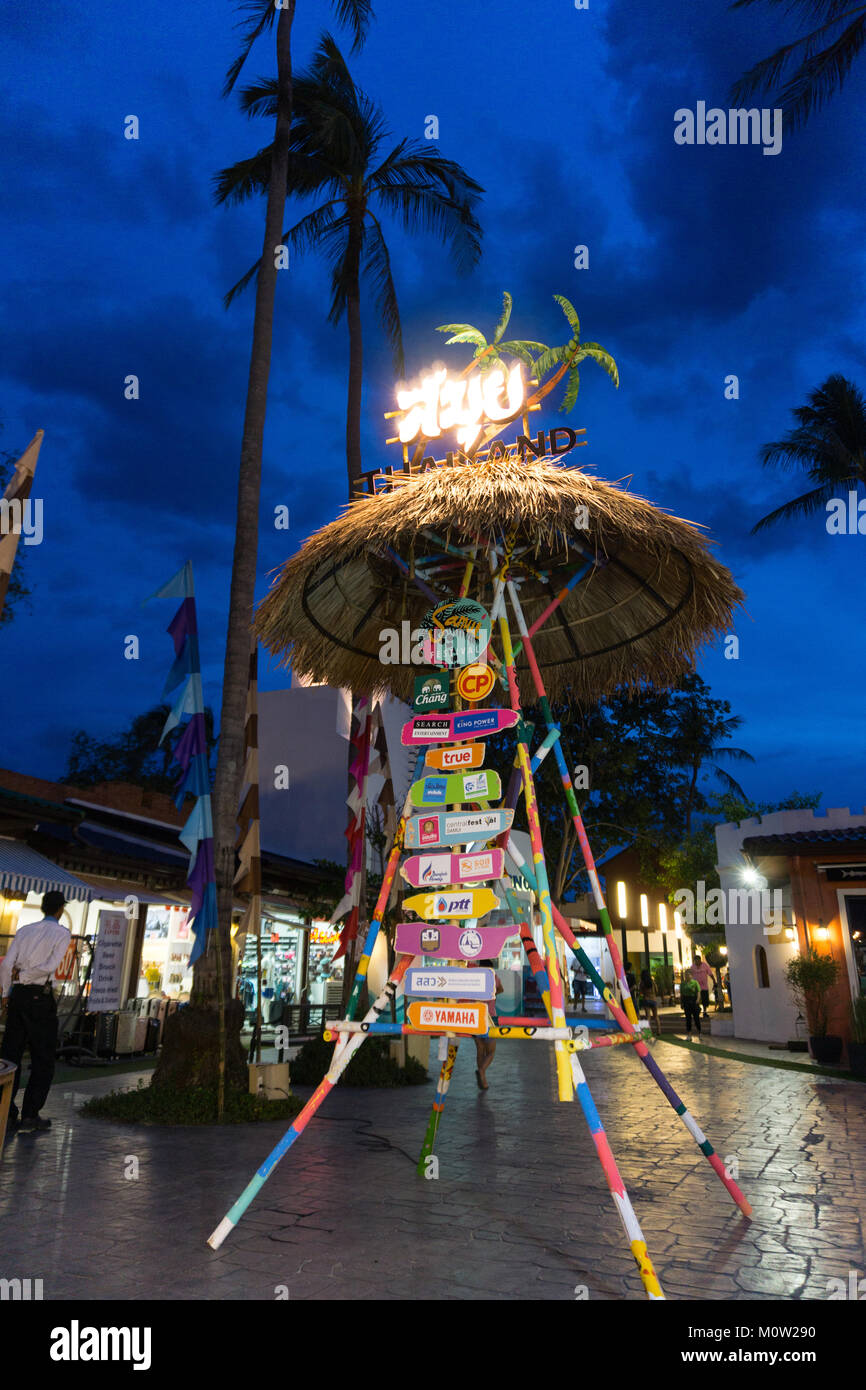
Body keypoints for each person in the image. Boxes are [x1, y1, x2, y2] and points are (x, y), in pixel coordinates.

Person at [0, 891, 71, 1133]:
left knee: (10, 1056)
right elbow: (50, 966)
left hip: (18, 996)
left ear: (42, 907)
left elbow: (7, 964)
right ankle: (30, 1114)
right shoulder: (61, 933)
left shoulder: (24, 930)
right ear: (60, 909)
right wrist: (28, 977)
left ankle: (6, 1114)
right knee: (43, 1058)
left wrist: (6, 994)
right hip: (40, 997)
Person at [474, 958, 503, 1091]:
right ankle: (482, 1071)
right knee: (491, 1051)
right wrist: (493, 994)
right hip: (490, 1018)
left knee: (480, 1050)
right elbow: (501, 989)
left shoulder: (473, 978)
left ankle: (483, 1080)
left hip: (475, 1017)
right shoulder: (493, 978)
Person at [689, 953, 714, 1017]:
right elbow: (689, 975)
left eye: (698, 961)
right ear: (694, 961)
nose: (697, 962)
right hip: (695, 987)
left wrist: (714, 981)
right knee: (695, 999)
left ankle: (705, 1012)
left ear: (700, 960)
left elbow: (710, 973)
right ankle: (696, 1011)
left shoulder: (705, 965)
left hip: (704, 986)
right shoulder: (692, 967)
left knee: (705, 1000)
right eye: (696, 961)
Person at [639, 965, 660, 1037]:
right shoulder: (652, 982)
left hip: (646, 1000)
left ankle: (648, 1032)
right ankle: (659, 1031)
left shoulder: (642, 983)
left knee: (648, 1017)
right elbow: (657, 990)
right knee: (656, 1016)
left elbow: (641, 992)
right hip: (653, 1000)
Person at [680, 971, 702, 1040]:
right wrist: (681, 1002)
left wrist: (698, 1000)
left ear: (691, 975)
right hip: (686, 1001)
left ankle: (699, 1032)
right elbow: (682, 994)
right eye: (685, 975)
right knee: (688, 1018)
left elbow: (698, 992)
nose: (687, 976)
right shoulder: (682, 984)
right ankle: (689, 1034)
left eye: (688, 975)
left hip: (694, 1001)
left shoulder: (695, 983)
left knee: (696, 1018)